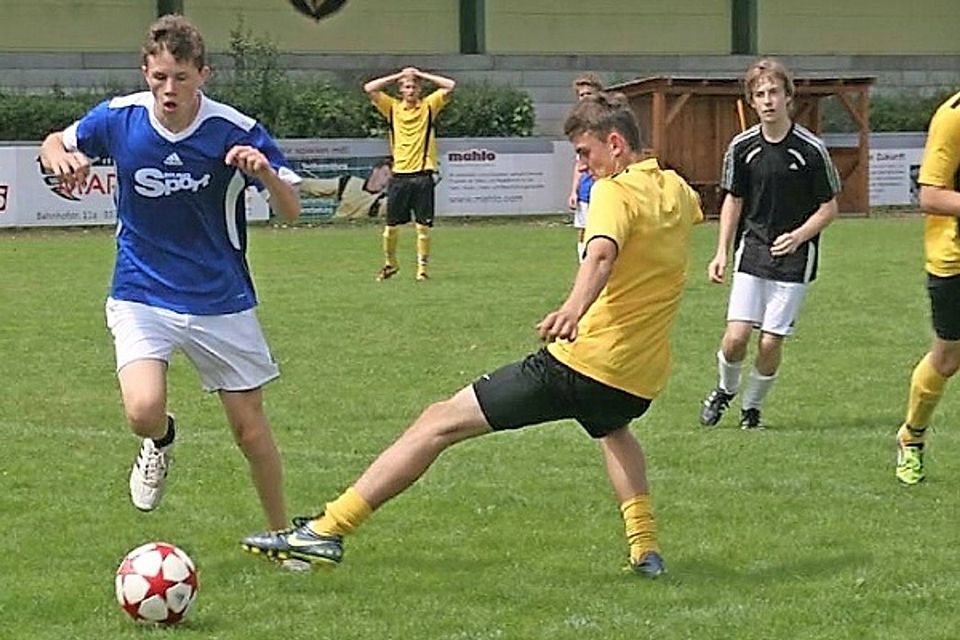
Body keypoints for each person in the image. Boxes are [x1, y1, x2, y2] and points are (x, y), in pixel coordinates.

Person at [241, 92, 704, 577]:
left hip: (584, 363)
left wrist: (572, 308)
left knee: (436, 422)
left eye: (585, 153)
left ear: (615, 143)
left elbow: (603, 253)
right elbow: (686, 217)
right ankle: (645, 548)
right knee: (614, 431)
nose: (583, 166)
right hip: (639, 378)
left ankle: (327, 530)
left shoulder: (613, 192)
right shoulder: (675, 189)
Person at [39, 15, 302, 531]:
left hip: (220, 297)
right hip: (141, 290)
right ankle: (159, 440)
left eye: (181, 77)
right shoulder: (119, 118)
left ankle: (282, 534)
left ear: (203, 74)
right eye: (159, 77)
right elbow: (54, 142)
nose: (168, 89)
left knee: (250, 432)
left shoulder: (236, 130)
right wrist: (61, 159)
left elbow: (292, 209)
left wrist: (265, 173)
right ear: (145, 72)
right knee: (142, 409)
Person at [698, 58, 841, 430]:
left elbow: (829, 208)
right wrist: (720, 252)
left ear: (788, 96)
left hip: (795, 257)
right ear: (751, 101)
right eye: (759, 94)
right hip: (754, 249)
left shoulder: (810, 149)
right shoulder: (742, 147)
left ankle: (752, 409)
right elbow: (734, 199)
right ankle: (725, 390)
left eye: (774, 92)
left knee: (769, 343)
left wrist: (798, 236)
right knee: (735, 338)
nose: (768, 100)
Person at [894, 88, 960, 485]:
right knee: (948, 358)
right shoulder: (953, 116)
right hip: (953, 258)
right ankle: (912, 435)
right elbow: (931, 195)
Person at [363, 66, 455, 281]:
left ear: (419, 90)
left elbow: (450, 86)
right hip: (399, 176)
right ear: (400, 91)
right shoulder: (393, 108)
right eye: (406, 87)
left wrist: (420, 74)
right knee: (391, 228)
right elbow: (369, 88)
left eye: (414, 86)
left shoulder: (429, 106)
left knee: (422, 227)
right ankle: (390, 264)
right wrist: (398, 74)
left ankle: (422, 270)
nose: (411, 90)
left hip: (423, 175)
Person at [567, 73, 604, 262]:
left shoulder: (606, 123)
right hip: (586, 189)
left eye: (588, 94)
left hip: (604, 187)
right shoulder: (579, 127)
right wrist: (573, 191)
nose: (585, 98)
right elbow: (578, 163)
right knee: (583, 229)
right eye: (581, 95)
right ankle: (584, 264)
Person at [299, 157, 392, 220]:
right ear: (375, 170)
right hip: (334, 228)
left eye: (392, 177)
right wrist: (292, 182)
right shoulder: (349, 183)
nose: (387, 179)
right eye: (385, 174)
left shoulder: (385, 200)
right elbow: (317, 185)